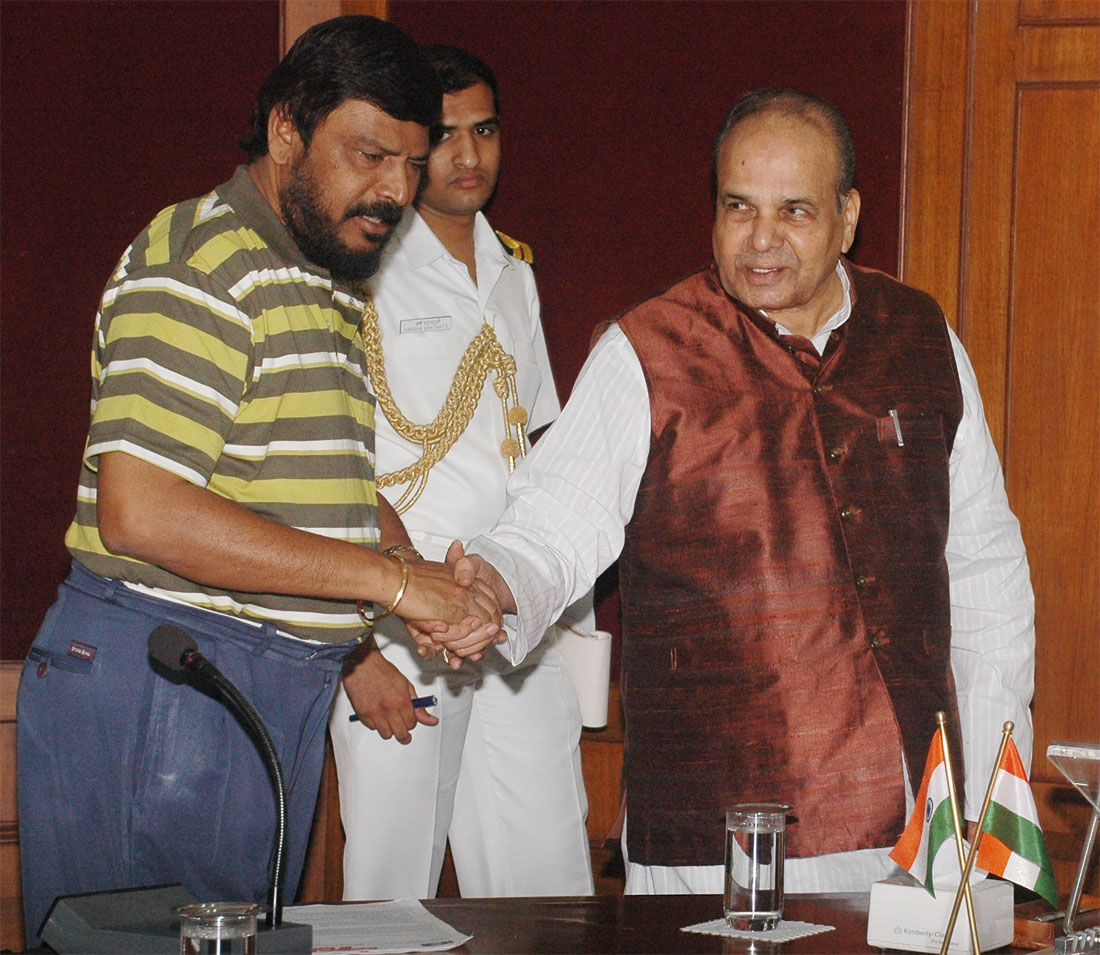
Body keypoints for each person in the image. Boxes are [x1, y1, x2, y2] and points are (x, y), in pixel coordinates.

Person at [449, 88, 1035, 895]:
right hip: (715, 829)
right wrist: (493, 583)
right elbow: (555, 521)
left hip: (915, 818)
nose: (762, 239)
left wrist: (990, 777)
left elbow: (983, 568)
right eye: (738, 207)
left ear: (848, 216)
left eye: (794, 210)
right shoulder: (648, 351)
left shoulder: (921, 336)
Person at [16, 16, 502, 947]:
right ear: (286, 132)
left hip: (253, 692)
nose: (396, 191)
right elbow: (140, 509)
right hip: (168, 684)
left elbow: (324, 485)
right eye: (370, 156)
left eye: (411, 163)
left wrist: (416, 576)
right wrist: (391, 584)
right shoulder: (204, 260)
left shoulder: (322, 275)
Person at [329, 46, 594, 899]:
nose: (469, 154)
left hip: (509, 609)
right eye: (445, 136)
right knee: (391, 882)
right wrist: (358, 648)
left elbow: (540, 444)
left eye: (486, 130)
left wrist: (568, 612)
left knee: (547, 880)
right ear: (410, 145)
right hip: (401, 616)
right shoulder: (360, 270)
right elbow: (327, 464)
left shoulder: (514, 268)